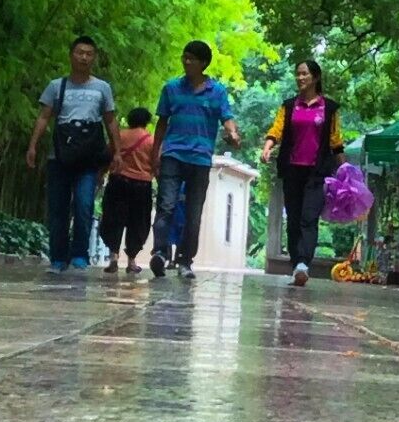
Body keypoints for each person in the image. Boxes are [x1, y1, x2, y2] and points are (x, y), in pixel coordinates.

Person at [26, 35, 118, 272]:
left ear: (94, 57)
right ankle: (58, 257)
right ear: (71, 55)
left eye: (89, 53)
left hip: (88, 159)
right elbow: (44, 117)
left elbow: (110, 121)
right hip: (59, 156)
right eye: (80, 52)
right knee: (57, 209)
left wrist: (117, 151)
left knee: (84, 205)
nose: (84, 57)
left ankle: (79, 254)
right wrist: (33, 146)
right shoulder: (57, 86)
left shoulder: (102, 88)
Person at [149, 40, 240, 280]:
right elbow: (162, 122)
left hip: (200, 158)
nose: (187, 62)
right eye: (184, 57)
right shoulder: (171, 88)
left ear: (203, 63)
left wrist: (232, 133)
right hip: (173, 155)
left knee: (193, 212)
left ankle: (185, 260)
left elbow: (227, 118)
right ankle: (159, 252)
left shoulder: (217, 91)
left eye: (192, 58)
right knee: (166, 205)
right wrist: (155, 152)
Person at [260, 59, 345, 289]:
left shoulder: (329, 108)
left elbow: (336, 141)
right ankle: (296, 262)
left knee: (309, 217)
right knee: (294, 219)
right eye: (297, 74)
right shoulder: (289, 106)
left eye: (304, 74)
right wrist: (268, 147)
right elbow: (276, 129)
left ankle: (303, 265)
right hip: (292, 169)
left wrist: (344, 170)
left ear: (315, 77)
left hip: (317, 172)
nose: (300, 78)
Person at [99, 107, 156, 276]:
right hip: (142, 186)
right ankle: (131, 261)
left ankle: (113, 258)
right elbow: (156, 164)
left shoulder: (119, 137)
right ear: (146, 121)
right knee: (138, 224)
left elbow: (106, 156)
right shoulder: (151, 141)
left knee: (113, 219)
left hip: (118, 182)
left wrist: (100, 175)